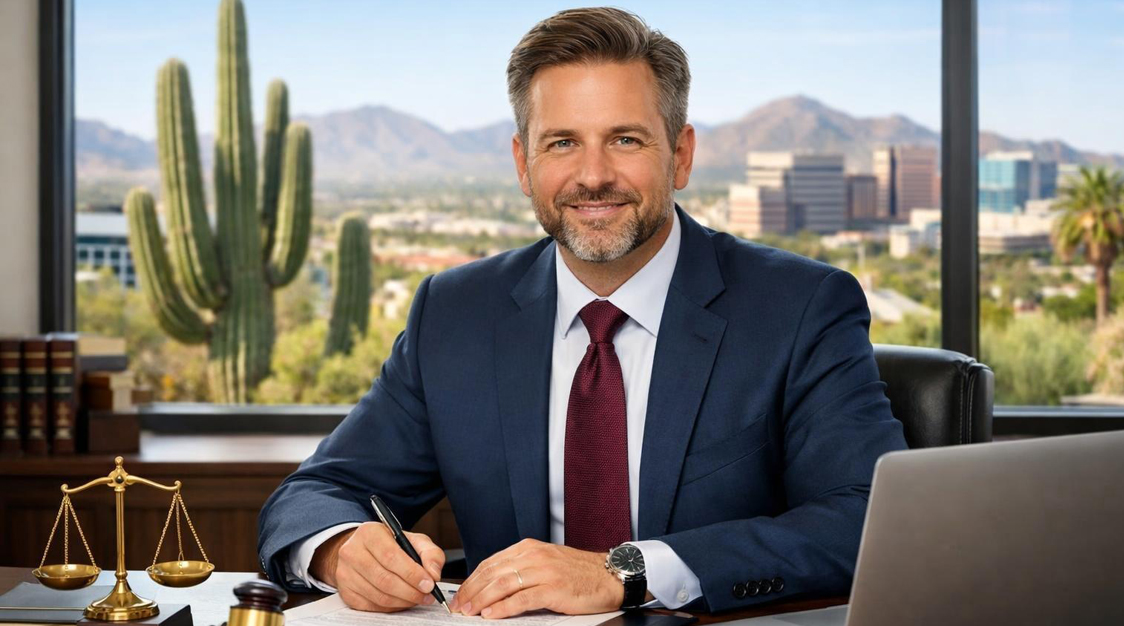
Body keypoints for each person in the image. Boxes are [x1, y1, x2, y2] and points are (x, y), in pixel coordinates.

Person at [258, 6, 907, 618]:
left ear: (679, 155)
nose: (593, 176)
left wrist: (627, 571)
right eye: (562, 143)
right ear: (523, 163)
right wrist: (342, 548)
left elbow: (866, 518)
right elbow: (315, 494)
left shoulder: (797, 307)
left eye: (624, 139)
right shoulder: (454, 314)